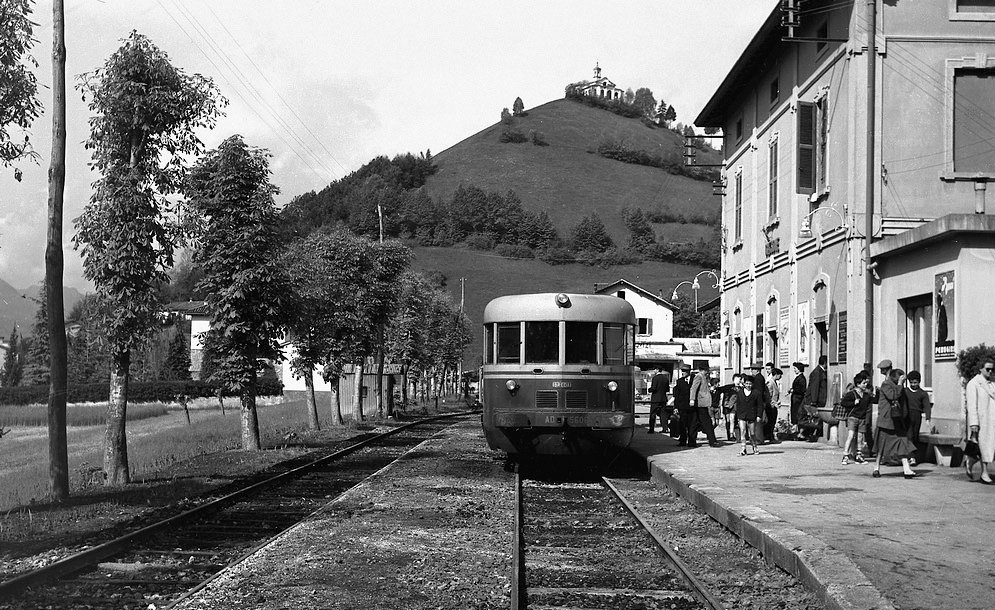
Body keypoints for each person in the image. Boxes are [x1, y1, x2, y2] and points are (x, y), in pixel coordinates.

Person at [873, 368, 917, 479]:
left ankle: (906, 469)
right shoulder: (886, 385)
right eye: (901, 378)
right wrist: (900, 384)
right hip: (886, 420)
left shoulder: (899, 386)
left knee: (902, 443)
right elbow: (893, 396)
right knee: (881, 446)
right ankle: (876, 467)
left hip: (897, 420)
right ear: (896, 378)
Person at [965, 358, 995, 484]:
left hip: (992, 420)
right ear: (981, 369)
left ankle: (970, 461)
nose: (990, 372)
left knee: (988, 447)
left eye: (992, 369)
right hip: (981, 421)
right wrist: (974, 423)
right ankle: (984, 473)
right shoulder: (974, 383)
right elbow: (972, 405)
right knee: (984, 446)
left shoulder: (992, 384)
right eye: (987, 369)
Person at [840, 371, 873, 465]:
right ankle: (845, 455)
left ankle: (858, 455)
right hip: (853, 418)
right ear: (858, 384)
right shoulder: (852, 394)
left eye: (866, 383)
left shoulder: (866, 395)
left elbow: (874, 400)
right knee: (851, 436)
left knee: (860, 438)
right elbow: (843, 403)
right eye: (864, 383)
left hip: (862, 418)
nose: (865, 385)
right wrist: (853, 403)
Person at [690, 362, 722, 447]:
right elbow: (693, 388)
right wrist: (692, 399)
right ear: (702, 370)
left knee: (695, 422)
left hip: (701, 403)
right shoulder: (699, 376)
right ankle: (712, 441)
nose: (707, 371)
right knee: (707, 422)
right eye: (706, 370)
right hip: (701, 403)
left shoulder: (704, 377)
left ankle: (691, 441)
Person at [736, 375, 763, 455]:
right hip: (742, 415)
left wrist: (759, 416)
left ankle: (755, 446)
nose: (748, 385)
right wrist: (738, 416)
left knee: (752, 433)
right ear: (744, 384)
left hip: (752, 415)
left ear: (752, 384)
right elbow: (738, 405)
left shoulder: (756, 393)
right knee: (743, 431)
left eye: (750, 384)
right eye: (747, 383)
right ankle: (743, 449)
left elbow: (760, 405)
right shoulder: (740, 393)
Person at [802, 355, 828, 442]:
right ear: (824, 363)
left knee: (816, 418)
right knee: (815, 418)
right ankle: (807, 434)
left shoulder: (820, 371)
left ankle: (809, 434)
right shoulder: (818, 372)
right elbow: (815, 387)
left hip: (819, 399)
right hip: (817, 400)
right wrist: (814, 400)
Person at [903, 370, 932, 447]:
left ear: (919, 382)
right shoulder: (905, 391)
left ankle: (914, 454)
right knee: (909, 435)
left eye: (915, 382)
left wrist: (927, 418)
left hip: (917, 415)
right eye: (911, 382)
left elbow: (927, 406)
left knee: (915, 435)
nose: (913, 384)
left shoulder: (923, 393)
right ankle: (909, 455)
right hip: (907, 415)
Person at [673, 364, 696, 446]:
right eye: (682, 371)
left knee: (692, 425)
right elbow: (677, 395)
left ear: (689, 372)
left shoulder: (695, 379)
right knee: (682, 424)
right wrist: (675, 407)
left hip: (693, 407)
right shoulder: (679, 381)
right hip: (682, 407)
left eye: (685, 371)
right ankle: (682, 441)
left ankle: (692, 441)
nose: (683, 372)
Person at [647, 365, 671, 434]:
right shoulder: (665, 378)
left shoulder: (655, 378)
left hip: (655, 398)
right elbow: (667, 389)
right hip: (663, 398)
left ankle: (651, 429)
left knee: (653, 413)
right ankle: (665, 428)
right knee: (663, 414)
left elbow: (653, 388)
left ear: (657, 370)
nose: (654, 371)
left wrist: (649, 390)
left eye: (654, 369)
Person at [764, 367, 783, 442]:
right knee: (771, 421)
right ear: (776, 375)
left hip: (774, 404)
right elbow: (768, 395)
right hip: (771, 405)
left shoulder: (774, 382)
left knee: (773, 421)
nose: (780, 377)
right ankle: (769, 436)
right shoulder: (770, 383)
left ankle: (770, 436)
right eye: (780, 375)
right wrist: (773, 403)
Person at [788, 362, 807, 432]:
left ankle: (797, 431)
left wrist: (794, 390)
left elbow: (802, 390)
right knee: (794, 414)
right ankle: (795, 430)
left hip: (798, 400)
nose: (794, 370)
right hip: (795, 399)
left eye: (795, 368)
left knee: (796, 415)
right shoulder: (798, 377)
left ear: (799, 369)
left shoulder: (801, 378)